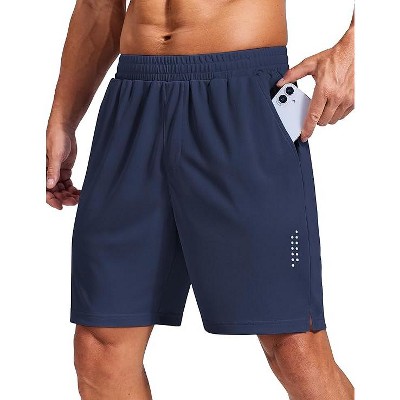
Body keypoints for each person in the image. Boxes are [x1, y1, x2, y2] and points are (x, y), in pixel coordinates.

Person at [46, 1, 354, 399]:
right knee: (100, 347)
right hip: (133, 104)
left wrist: (354, 47)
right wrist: (64, 119)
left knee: (294, 345)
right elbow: (98, 5)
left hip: (241, 99)